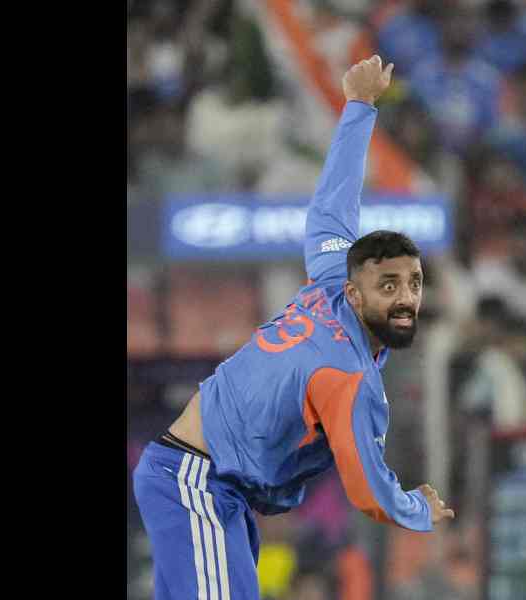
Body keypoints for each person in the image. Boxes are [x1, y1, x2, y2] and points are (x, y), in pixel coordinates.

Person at [133, 55, 455, 600]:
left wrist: (359, 106)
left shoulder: (331, 281)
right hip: (196, 484)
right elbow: (368, 489)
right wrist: (417, 507)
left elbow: (333, 207)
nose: (405, 299)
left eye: (414, 284)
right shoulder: (346, 372)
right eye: (389, 286)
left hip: (215, 490)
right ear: (356, 293)